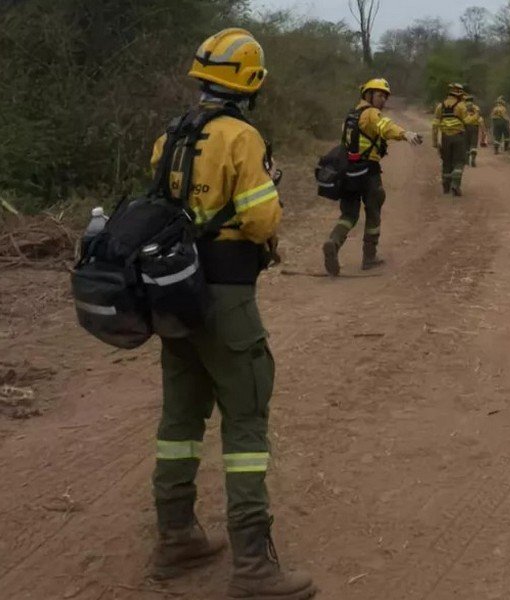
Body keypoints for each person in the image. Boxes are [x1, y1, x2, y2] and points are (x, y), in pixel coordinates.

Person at [147, 28, 316, 600]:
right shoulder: (242, 137)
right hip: (227, 296)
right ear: (250, 84)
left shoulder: (170, 135)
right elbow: (263, 222)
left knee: (180, 422)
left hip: (175, 296)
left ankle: (175, 537)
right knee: (245, 422)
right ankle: (253, 566)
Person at [322, 78, 423, 276]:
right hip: (369, 171)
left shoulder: (351, 114)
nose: (383, 99)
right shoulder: (371, 114)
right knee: (374, 210)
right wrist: (405, 134)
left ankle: (333, 241)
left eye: (385, 96)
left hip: (349, 171)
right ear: (368, 95)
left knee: (349, 214)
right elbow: (385, 126)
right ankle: (369, 257)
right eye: (379, 95)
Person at [432, 83, 469, 196]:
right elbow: (467, 122)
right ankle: (455, 185)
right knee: (459, 162)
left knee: (446, 161)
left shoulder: (440, 106)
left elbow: (435, 125)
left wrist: (435, 142)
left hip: (445, 138)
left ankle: (446, 186)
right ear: (458, 92)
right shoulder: (461, 106)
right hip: (458, 137)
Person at [464, 95, 484, 167]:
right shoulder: (476, 108)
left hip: (465, 126)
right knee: (473, 144)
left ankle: (466, 161)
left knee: (466, 143)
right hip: (474, 127)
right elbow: (479, 117)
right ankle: (473, 159)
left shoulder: (463, 107)